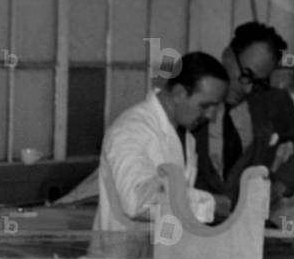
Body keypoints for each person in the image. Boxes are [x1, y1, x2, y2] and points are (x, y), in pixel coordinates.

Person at [94, 52, 229, 232]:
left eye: (216, 107)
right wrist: (209, 204)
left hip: (161, 254)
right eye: (205, 106)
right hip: (120, 255)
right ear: (179, 93)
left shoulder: (186, 136)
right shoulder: (130, 129)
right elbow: (137, 201)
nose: (211, 116)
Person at [193, 22, 294, 213]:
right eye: (245, 74)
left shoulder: (272, 104)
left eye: (259, 82)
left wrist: (281, 185)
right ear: (227, 56)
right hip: (194, 224)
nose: (248, 88)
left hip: (249, 226)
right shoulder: (191, 98)